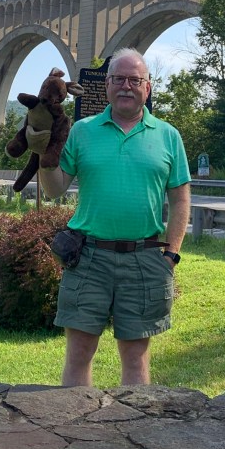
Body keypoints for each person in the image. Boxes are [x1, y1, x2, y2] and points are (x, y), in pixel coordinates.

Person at [35, 47, 191, 386]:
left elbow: (180, 200)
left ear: (147, 87)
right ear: (106, 85)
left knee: (135, 357)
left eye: (134, 80)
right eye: (118, 79)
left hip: (145, 258)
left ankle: (134, 422)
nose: (126, 86)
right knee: (79, 353)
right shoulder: (82, 131)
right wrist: (44, 157)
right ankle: (73, 420)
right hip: (88, 257)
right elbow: (55, 189)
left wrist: (172, 254)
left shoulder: (168, 136)